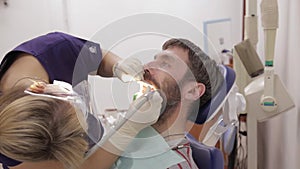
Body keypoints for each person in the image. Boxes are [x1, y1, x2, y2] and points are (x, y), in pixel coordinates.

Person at [0, 32, 164, 169]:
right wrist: (128, 129)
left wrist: (117, 66)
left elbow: (98, 59)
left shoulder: (56, 49)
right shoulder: (17, 145)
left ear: (42, 89)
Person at [112, 38, 224, 169]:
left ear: (193, 91)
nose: (145, 67)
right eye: (154, 60)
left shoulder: (175, 165)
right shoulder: (132, 142)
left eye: (165, 64)